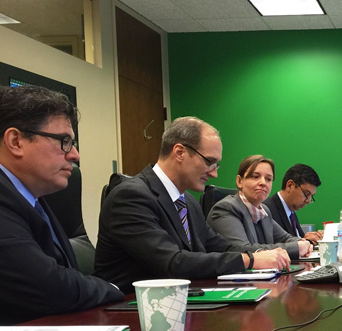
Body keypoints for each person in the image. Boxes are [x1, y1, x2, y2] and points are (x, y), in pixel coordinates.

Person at [95, 117, 289, 292]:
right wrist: (250, 260)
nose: (214, 173)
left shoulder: (188, 201)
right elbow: (173, 262)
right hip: (131, 309)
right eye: (209, 162)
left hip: (180, 301)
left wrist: (263, 254)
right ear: (179, 152)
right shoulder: (131, 197)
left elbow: (220, 247)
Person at [0, 85, 123, 325]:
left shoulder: (33, 197)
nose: (75, 155)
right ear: (16, 141)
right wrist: (112, 288)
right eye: (64, 141)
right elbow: (46, 287)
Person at [207, 155, 312, 260]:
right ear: (239, 181)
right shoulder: (226, 208)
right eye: (255, 176)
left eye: (268, 179)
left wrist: (303, 243)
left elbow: (286, 238)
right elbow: (241, 250)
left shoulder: (263, 210)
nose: (263, 183)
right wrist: (296, 247)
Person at [264, 163, 323, 244]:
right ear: (290, 185)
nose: (308, 201)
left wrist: (307, 239)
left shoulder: (291, 213)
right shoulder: (267, 210)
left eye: (311, 196)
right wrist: (303, 241)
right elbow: (271, 247)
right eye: (306, 194)